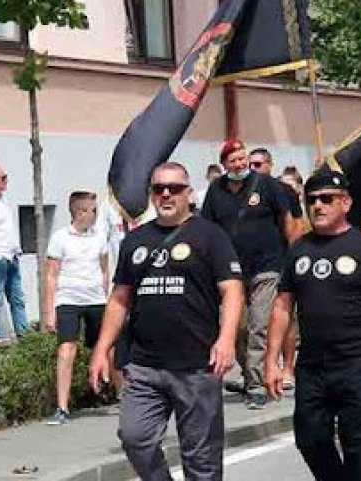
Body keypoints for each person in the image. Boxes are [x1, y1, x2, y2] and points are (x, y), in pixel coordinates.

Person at [88, 162, 244, 480]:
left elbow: (233, 290)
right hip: (145, 366)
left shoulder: (211, 236)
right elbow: (119, 299)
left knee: (201, 459)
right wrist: (101, 349)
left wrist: (226, 339)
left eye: (174, 188)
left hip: (197, 364)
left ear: (189, 193)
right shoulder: (136, 240)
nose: (167, 194)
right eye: (159, 189)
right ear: (151, 194)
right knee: (135, 438)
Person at [263, 170, 361, 481]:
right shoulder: (299, 249)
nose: (318, 205)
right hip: (313, 365)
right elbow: (283, 306)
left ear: (345, 203)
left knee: (360, 446)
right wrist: (272, 361)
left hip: (358, 363)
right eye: (312, 200)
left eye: (326, 199)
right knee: (310, 438)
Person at [201, 139, 303, 409]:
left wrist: (293, 259)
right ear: (225, 164)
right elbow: (207, 230)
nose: (239, 164)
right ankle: (250, 376)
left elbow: (288, 221)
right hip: (231, 272)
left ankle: (257, 385)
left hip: (267, 266)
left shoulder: (267, 185)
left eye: (242, 158)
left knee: (259, 326)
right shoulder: (216, 191)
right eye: (233, 160)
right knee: (238, 328)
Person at [44, 191, 110, 425]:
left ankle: (124, 397)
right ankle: (62, 407)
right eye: (93, 210)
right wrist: (49, 312)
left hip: (96, 299)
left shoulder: (100, 236)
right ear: (80, 212)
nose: (96, 214)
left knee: (108, 346)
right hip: (68, 299)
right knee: (66, 349)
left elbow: (104, 269)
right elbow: (51, 276)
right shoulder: (60, 238)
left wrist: (107, 298)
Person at [0, 165, 27, 340]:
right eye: (2, 178)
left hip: (11, 256)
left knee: (18, 299)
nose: (6, 181)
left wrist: (16, 249)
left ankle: (25, 337)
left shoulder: (1, 200)